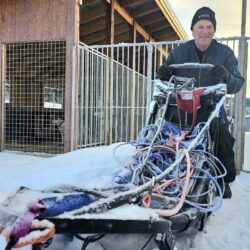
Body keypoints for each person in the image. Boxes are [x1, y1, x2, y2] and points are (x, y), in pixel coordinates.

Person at [156, 7, 245, 198]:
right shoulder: (179, 53)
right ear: (193, 29)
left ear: (214, 29)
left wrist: (227, 76)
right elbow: (164, 76)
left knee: (221, 134)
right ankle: (157, 165)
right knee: (160, 127)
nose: (205, 30)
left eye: (209, 26)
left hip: (210, 107)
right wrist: (163, 74)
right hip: (180, 107)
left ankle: (223, 179)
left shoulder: (225, 53)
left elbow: (237, 83)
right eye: (200, 26)